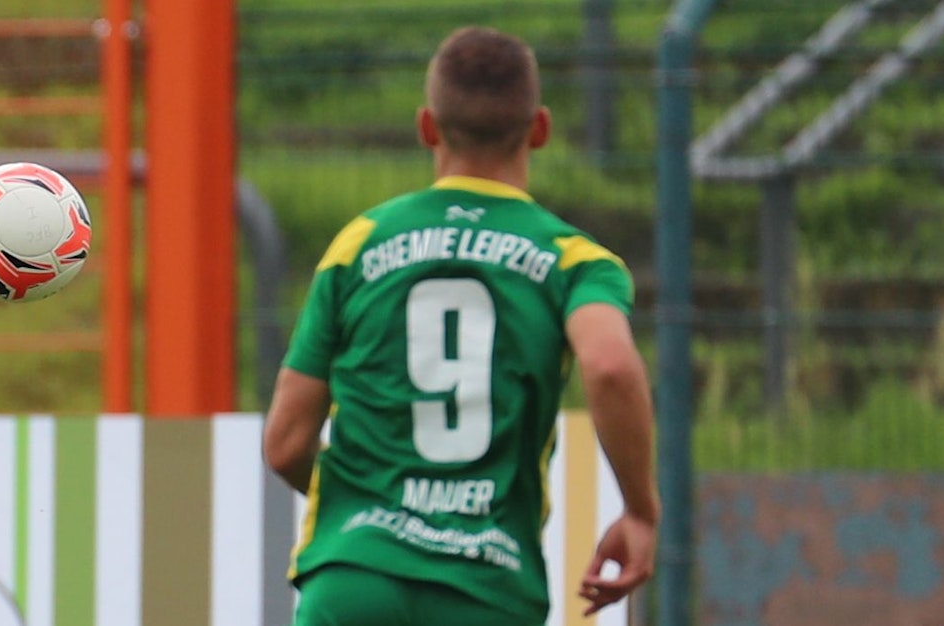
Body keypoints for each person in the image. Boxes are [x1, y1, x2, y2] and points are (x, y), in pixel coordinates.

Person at [262, 26, 660, 626]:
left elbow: (286, 443)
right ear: (540, 129)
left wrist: (368, 507)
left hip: (353, 579)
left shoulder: (360, 243)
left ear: (427, 126)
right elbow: (608, 365)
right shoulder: (574, 260)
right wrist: (640, 511)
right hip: (486, 584)